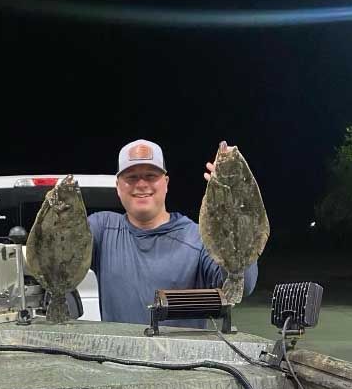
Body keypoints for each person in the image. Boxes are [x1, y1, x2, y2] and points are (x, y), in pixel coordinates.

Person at [88, 139, 260, 326]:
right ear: (118, 186)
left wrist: (235, 213)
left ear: (166, 183)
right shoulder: (102, 229)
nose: (142, 184)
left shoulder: (198, 237)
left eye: (151, 175)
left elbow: (243, 285)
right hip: (118, 355)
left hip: (185, 355)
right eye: (132, 177)